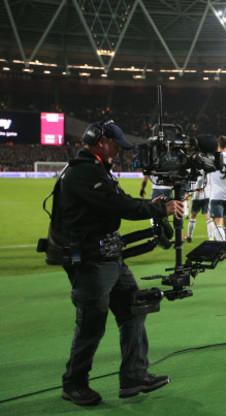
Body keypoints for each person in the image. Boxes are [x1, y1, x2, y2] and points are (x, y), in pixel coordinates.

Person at [58, 120, 184, 406]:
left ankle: (134, 376)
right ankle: (73, 383)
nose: (119, 150)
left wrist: (151, 207)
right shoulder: (83, 172)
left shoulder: (98, 169)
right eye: (116, 145)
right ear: (101, 141)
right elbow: (118, 206)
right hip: (91, 261)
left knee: (134, 311)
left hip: (110, 257)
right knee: (91, 324)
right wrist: (159, 209)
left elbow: (121, 199)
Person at [186, 171, 214, 242]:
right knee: (209, 218)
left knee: (193, 217)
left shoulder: (196, 168)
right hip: (207, 196)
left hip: (197, 197)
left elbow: (196, 181)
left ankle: (189, 236)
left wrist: (190, 193)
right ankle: (211, 239)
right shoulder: (209, 168)